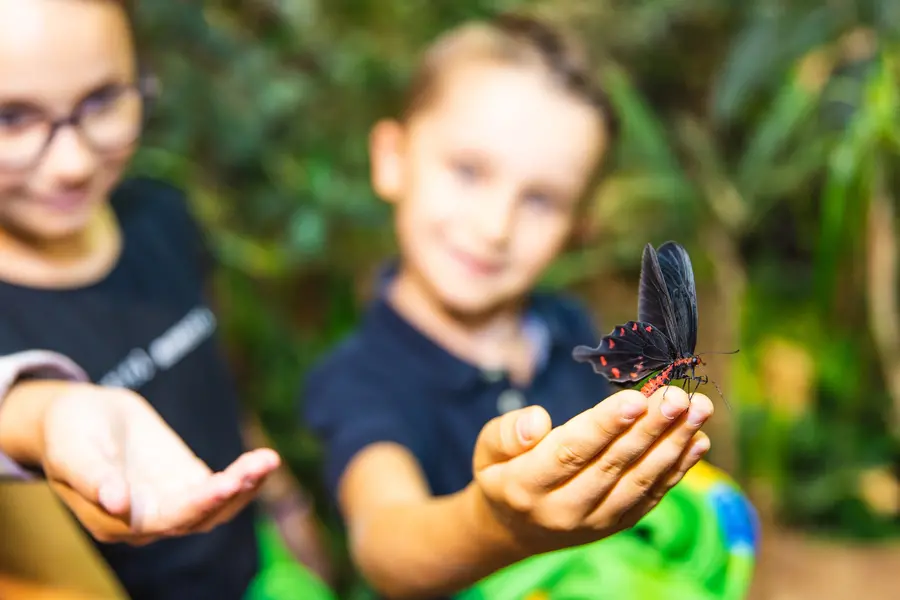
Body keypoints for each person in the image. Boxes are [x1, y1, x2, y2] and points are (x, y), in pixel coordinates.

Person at [302, 13, 754, 600]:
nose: (495, 228)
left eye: (541, 200)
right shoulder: (360, 376)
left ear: (578, 226)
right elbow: (383, 543)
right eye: (467, 171)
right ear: (392, 157)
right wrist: (497, 526)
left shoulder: (569, 328)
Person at [0, 1, 332, 599]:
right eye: (11, 118)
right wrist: (47, 414)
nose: (72, 164)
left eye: (101, 101)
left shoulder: (160, 213)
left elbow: (217, 378)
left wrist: (283, 510)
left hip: (262, 562)